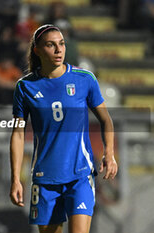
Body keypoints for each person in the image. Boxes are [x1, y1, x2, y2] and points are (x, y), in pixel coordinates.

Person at [9, 24, 118, 233]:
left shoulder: (84, 79)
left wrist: (109, 154)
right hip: (45, 178)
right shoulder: (25, 87)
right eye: (51, 45)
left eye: (61, 44)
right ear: (37, 50)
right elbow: (18, 135)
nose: (59, 50)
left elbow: (106, 120)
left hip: (80, 176)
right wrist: (15, 179)